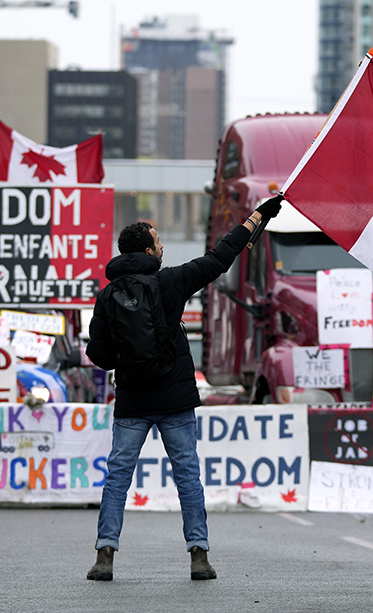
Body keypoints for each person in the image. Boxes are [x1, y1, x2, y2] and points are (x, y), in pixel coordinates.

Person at [84, 195, 283, 581]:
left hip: (131, 402)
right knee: (187, 476)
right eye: (159, 244)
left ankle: (105, 555)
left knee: (118, 477)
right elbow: (219, 258)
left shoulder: (107, 296)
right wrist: (258, 217)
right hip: (174, 399)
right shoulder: (170, 281)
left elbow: (102, 356)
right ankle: (199, 556)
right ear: (148, 250)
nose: (162, 249)